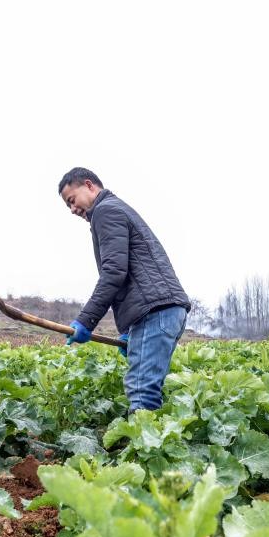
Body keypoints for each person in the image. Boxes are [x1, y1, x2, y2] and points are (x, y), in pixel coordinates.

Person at [58, 167, 191, 413]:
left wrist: (86, 321)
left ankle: (147, 450)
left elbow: (114, 273)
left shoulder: (105, 211)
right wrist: (131, 332)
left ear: (89, 185)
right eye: (68, 206)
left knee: (142, 393)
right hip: (165, 311)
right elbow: (138, 272)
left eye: (72, 201)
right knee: (147, 387)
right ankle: (154, 444)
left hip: (156, 312)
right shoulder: (117, 208)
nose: (73, 210)